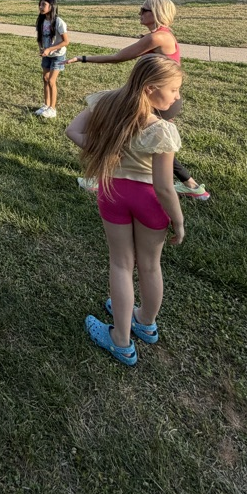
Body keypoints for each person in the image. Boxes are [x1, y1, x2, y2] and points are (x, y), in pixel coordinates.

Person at [65, 55, 186, 367]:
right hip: (149, 201)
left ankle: (121, 339)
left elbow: (73, 130)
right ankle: (145, 323)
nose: (177, 97)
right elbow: (163, 187)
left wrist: (105, 152)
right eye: (173, 90)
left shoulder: (107, 101)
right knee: (149, 266)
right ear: (149, 89)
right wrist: (178, 219)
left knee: (120, 265)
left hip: (113, 193)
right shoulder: (161, 130)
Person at [64, 0, 209, 201]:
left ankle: (103, 178)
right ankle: (192, 186)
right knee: (151, 143)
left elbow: (118, 57)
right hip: (162, 98)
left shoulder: (156, 37)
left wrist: (82, 58)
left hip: (158, 100)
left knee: (121, 133)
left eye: (144, 10)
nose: (139, 13)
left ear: (157, 13)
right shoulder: (162, 35)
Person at [35, 0, 69, 119]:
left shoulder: (59, 22)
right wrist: (42, 48)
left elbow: (66, 42)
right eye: (40, 4)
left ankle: (52, 109)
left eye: (43, 5)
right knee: (45, 78)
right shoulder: (41, 21)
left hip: (58, 56)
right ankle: (46, 105)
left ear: (51, 7)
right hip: (47, 55)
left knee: (51, 81)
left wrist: (50, 49)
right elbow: (40, 37)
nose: (41, 7)